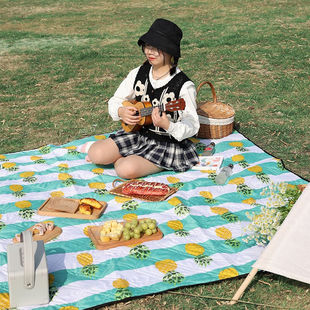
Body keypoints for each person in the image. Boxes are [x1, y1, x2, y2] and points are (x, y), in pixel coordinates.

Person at [80, 18, 200, 179]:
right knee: (96, 154)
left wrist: (168, 125)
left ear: (170, 51)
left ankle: (131, 161)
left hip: (166, 143)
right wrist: (121, 111)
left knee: (125, 170)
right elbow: (116, 99)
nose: (150, 52)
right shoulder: (139, 72)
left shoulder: (184, 85)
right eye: (147, 46)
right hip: (138, 134)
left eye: (157, 48)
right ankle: (129, 157)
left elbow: (192, 125)